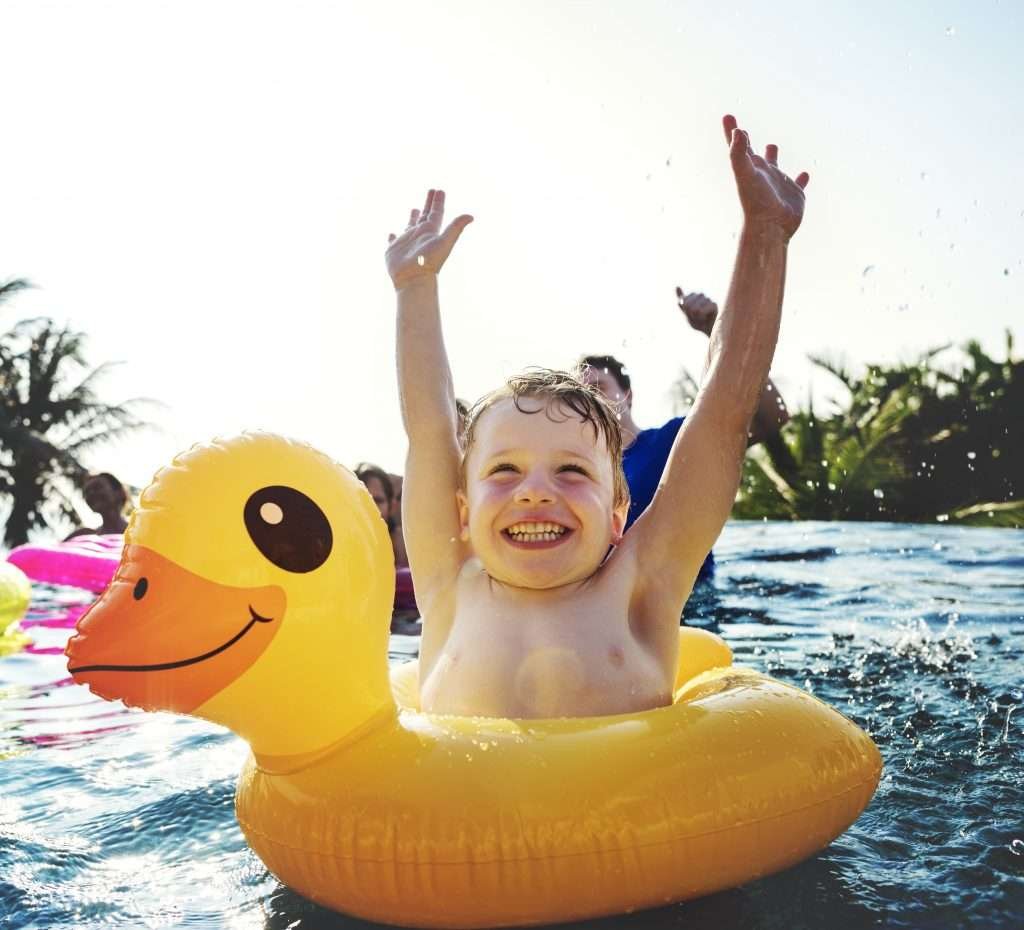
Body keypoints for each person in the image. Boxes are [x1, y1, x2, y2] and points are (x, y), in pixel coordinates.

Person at [386, 114, 808, 719]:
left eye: (571, 472)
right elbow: (428, 428)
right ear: (460, 508)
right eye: (504, 470)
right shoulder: (448, 587)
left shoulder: (639, 588)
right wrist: (413, 289)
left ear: (618, 514)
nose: (534, 492)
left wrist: (765, 234)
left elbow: (722, 415)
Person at [578, 294, 790, 580]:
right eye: (579, 395)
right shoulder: (573, 475)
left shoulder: (673, 442)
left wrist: (716, 328)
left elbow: (770, 416)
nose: (589, 399)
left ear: (627, 396)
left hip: (694, 606)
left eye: (599, 387)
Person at [65, 472, 130, 540]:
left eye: (97, 487)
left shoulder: (139, 530)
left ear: (118, 492)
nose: (91, 494)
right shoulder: (82, 537)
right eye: (87, 492)